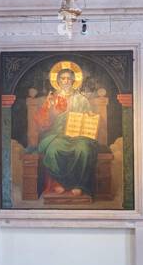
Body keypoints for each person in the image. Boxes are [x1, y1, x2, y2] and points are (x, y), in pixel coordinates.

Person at [32, 65, 97, 197]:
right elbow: (43, 121)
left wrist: (89, 117)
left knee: (83, 149)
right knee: (53, 150)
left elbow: (89, 117)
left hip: (79, 135)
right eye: (63, 78)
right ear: (58, 81)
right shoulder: (52, 98)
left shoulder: (81, 99)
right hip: (57, 135)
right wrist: (49, 108)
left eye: (69, 78)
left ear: (74, 81)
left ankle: (79, 184)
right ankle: (59, 182)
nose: (66, 81)